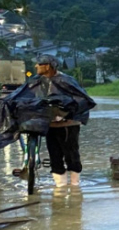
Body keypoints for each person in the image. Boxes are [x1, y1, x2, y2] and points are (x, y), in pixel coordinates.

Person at [32, 55, 91, 188]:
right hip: (50, 124)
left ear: (47, 66)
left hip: (68, 124)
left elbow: (80, 99)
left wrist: (66, 113)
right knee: (54, 154)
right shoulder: (37, 81)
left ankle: (75, 186)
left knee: (71, 153)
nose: (36, 66)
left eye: (39, 64)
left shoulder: (66, 80)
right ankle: (60, 187)